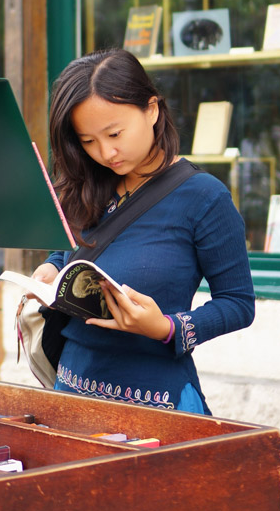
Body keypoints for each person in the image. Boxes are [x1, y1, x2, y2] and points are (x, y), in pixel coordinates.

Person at [31, 48, 255, 414]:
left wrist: (166, 327)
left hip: (156, 403)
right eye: (88, 141)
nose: (106, 152)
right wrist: (53, 267)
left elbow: (239, 304)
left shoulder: (205, 197)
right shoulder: (88, 183)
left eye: (114, 133)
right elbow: (78, 247)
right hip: (70, 392)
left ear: (151, 109)